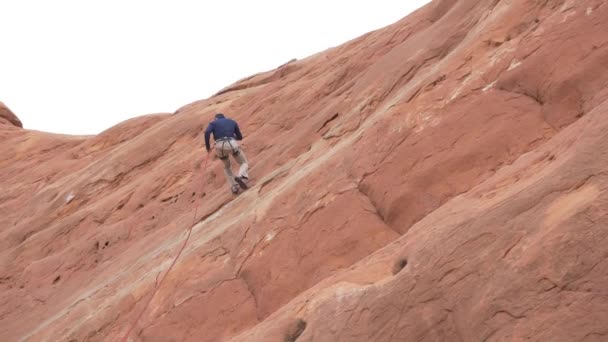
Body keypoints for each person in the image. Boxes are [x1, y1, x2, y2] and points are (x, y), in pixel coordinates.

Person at [204, 113, 249, 194]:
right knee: (243, 162)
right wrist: (231, 136)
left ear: (216, 118)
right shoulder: (232, 122)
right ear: (224, 117)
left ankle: (234, 187)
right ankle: (240, 176)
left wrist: (208, 147)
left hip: (220, 146)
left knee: (227, 167)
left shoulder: (213, 123)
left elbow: (207, 132)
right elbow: (240, 137)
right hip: (232, 144)